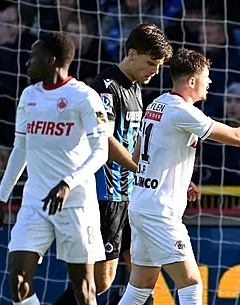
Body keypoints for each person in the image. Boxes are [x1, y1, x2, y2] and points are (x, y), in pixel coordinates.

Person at [116, 48, 240, 305]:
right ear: (192, 81)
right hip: (160, 211)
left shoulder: (156, 104)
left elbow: (138, 157)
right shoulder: (183, 111)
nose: (210, 82)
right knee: (191, 282)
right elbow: (238, 138)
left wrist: (178, 178)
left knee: (141, 285)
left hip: (142, 204)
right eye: (206, 76)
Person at [53, 22, 173, 305]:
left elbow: (135, 141)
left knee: (144, 273)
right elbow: (104, 140)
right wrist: (139, 167)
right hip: (107, 193)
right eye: (151, 63)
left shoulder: (135, 88)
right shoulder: (105, 87)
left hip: (131, 193)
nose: (155, 71)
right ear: (131, 53)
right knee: (101, 281)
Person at [0, 32, 110, 305]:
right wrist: (0, 198)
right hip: (36, 201)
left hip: (76, 204)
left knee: (84, 290)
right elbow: (21, 150)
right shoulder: (29, 96)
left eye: (33, 56)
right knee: (18, 277)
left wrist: (68, 183)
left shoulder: (84, 97)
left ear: (51, 60)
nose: (28, 62)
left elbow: (101, 150)